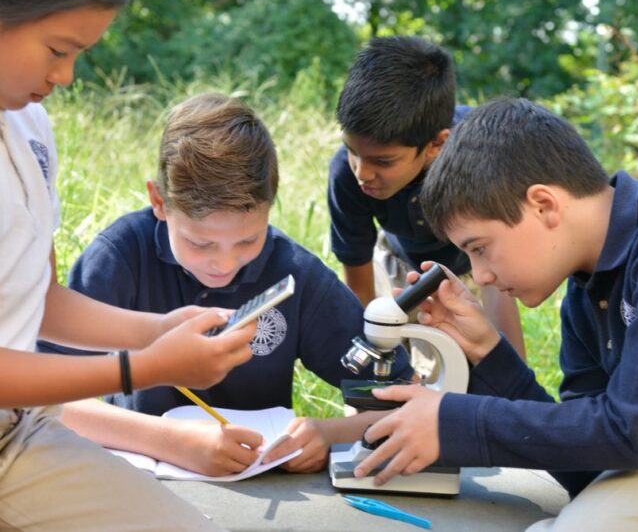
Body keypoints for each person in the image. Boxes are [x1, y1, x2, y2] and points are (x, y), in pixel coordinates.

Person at [0, 0, 257, 532]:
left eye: (80, 56)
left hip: (16, 437)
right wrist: (143, 367)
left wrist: (158, 328)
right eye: (58, 50)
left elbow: (40, 296)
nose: (65, 78)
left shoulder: (29, 124)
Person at [39, 92, 411, 477]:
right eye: (200, 243)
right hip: (138, 480)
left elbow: (404, 401)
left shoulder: (296, 275)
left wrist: (329, 434)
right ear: (159, 201)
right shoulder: (118, 259)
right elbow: (45, 397)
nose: (224, 263)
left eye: (249, 241)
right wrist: (170, 441)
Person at [353, 97, 638, 531]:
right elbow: (590, 466)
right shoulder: (585, 294)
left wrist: (452, 421)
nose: (481, 276)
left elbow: (632, 432)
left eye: (480, 248)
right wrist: (489, 352)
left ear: (543, 204)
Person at [327, 35, 526, 362]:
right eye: (352, 152)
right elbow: (359, 287)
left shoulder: (481, 162)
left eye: (383, 161)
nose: (362, 172)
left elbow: (496, 274)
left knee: (467, 379)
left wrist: (517, 384)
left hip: (473, 270)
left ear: (436, 145)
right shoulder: (346, 175)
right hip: (396, 261)